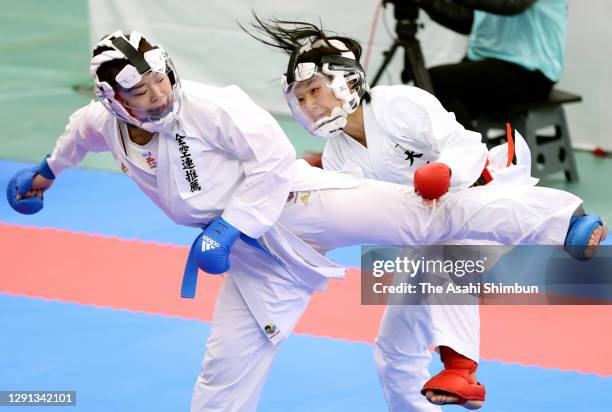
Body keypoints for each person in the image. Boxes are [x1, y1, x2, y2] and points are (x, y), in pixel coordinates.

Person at [6, 30, 605, 412]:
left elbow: (271, 162)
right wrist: (43, 175)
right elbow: (72, 140)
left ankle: (561, 219)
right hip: (257, 258)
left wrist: (230, 223)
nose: (160, 96)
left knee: (425, 221)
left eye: (162, 79)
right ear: (114, 101)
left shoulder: (218, 106)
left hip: (298, 207)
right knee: (226, 367)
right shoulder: (98, 122)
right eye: (142, 92)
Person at [244, 17, 607, 411]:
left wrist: (445, 171)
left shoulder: (398, 103)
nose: (310, 105)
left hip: (483, 198)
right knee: (394, 353)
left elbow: (465, 145)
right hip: (423, 234)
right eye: (300, 99)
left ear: (346, 81)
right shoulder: (337, 156)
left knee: (442, 235)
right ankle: (430, 394)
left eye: (314, 90)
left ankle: (566, 222)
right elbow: (356, 216)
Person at [416, 0, 568, 129]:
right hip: (488, 63)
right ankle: (466, 154)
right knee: (427, 93)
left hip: (530, 73)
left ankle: (474, 157)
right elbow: (466, 21)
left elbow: (510, 4)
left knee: (434, 81)